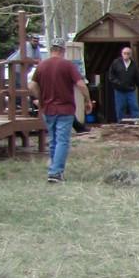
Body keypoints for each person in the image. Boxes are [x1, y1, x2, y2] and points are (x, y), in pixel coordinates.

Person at [29, 42, 91, 183]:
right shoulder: (68, 65)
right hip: (65, 109)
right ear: (63, 50)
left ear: (51, 50)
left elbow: (31, 85)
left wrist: (40, 98)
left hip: (48, 109)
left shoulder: (42, 65)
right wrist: (87, 99)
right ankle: (56, 173)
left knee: (53, 141)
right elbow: (81, 84)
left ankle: (54, 169)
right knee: (62, 141)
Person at [108, 45, 139, 122]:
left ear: (130, 55)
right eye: (124, 53)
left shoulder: (134, 65)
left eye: (128, 53)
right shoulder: (116, 63)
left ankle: (137, 122)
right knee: (120, 107)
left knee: (134, 106)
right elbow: (111, 75)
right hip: (119, 90)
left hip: (130, 90)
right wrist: (117, 82)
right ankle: (120, 122)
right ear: (122, 54)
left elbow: (138, 77)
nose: (126, 55)